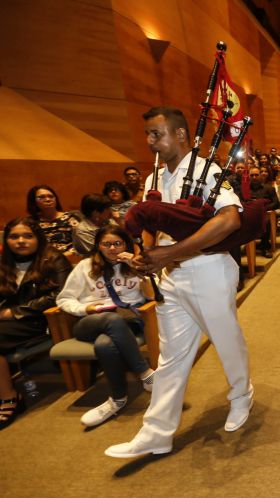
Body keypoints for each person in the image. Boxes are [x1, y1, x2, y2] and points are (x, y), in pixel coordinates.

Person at [105, 106, 253, 459]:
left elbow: (230, 220)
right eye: (148, 135)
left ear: (182, 134)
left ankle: (240, 395)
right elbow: (153, 226)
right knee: (170, 356)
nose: (150, 142)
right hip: (171, 277)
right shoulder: (153, 178)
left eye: (157, 134)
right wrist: (148, 255)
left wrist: (172, 254)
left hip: (209, 270)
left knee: (224, 340)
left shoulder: (207, 171)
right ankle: (156, 432)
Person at [56, 227, 155, 427]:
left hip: (127, 321)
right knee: (111, 319)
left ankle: (117, 399)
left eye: (117, 243)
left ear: (126, 244)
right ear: (98, 246)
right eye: (106, 244)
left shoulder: (136, 264)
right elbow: (64, 298)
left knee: (104, 344)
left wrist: (137, 269)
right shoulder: (85, 266)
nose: (112, 248)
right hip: (90, 322)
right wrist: (86, 308)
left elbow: (152, 297)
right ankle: (145, 373)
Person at [0, 218, 71, 431]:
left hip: (41, 319)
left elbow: (60, 295)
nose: (21, 241)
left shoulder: (53, 259)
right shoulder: (4, 261)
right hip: (7, 320)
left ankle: (9, 397)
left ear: (37, 238)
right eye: (14, 237)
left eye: (27, 236)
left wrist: (14, 312)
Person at [26, 185, 80, 257]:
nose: (48, 199)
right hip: (41, 261)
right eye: (41, 197)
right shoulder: (30, 222)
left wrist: (62, 257)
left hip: (69, 259)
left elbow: (82, 243)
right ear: (33, 202)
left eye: (51, 196)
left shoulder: (70, 218)